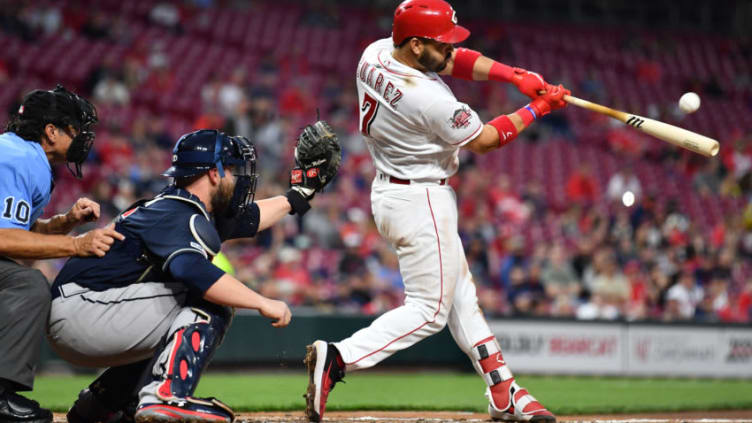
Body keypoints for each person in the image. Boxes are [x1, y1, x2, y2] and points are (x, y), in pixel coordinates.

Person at [304, 1, 569, 422]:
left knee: (462, 297)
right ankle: (339, 358)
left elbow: (451, 61)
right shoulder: (426, 98)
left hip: (394, 191)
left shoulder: (374, 52)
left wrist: (513, 75)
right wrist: (539, 107)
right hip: (423, 198)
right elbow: (485, 139)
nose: (450, 50)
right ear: (414, 44)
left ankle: (504, 390)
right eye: (440, 43)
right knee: (429, 311)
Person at [47, 125, 339, 423]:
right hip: (85, 311)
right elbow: (192, 270)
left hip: (85, 310)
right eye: (233, 170)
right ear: (214, 173)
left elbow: (248, 218)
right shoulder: (178, 213)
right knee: (207, 296)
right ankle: (166, 394)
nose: (238, 178)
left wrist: (298, 195)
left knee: (174, 313)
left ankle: (100, 405)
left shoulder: (180, 207)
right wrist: (262, 301)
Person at [0, 85, 118, 423]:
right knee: (26, 284)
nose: (82, 137)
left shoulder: (19, 153)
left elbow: (20, 232)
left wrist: (66, 222)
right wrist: (77, 244)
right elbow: (4, 239)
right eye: (74, 129)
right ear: (51, 132)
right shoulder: (20, 158)